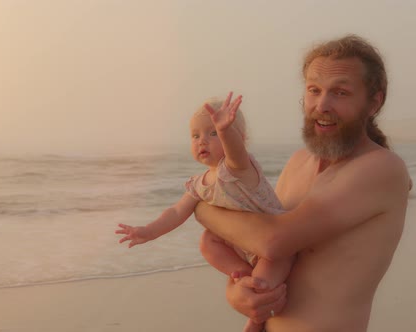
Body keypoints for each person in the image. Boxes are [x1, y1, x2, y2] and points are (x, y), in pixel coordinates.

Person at [195, 34, 412, 331]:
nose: (322, 105)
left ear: (374, 102)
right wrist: (238, 293)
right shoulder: (299, 162)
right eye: (314, 90)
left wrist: (199, 206)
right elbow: (262, 257)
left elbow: (273, 241)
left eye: (341, 93)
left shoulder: (381, 168)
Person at [115, 92, 294, 332]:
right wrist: (148, 232)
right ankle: (241, 274)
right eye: (195, 135)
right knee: (207, 241)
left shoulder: (238, 169)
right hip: (243, 246)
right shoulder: (198, 184)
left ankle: (256, 318)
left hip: (274, 247)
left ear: (239, 138)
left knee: (263, 282)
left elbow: (235, 152)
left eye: (212, 133)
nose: (202, 141)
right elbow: (176, 212)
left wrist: (225, 131)